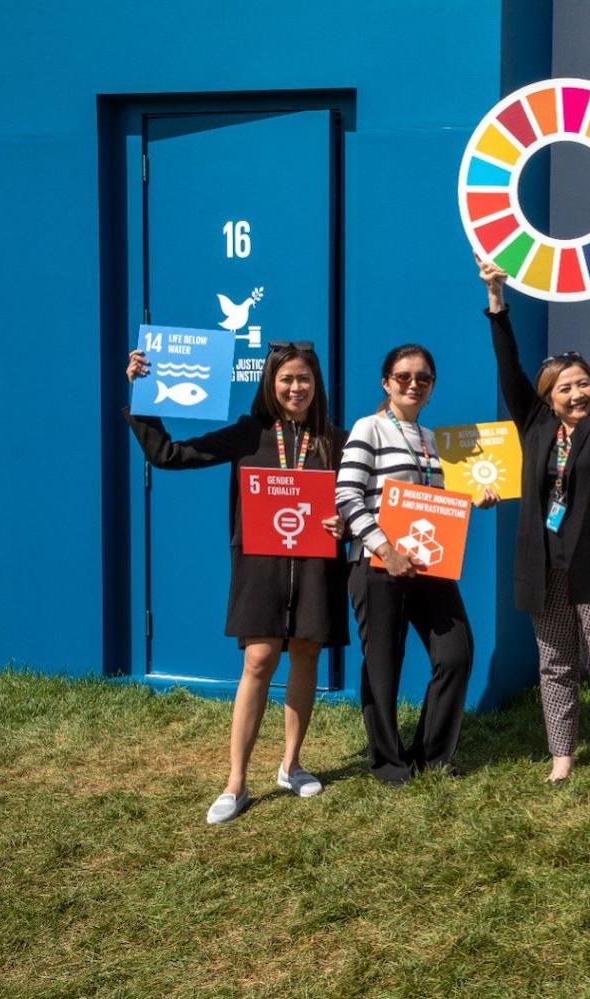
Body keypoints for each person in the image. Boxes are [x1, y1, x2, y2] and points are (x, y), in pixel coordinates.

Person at [124, 341, 348, 824]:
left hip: (315, 566)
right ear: (270, 384)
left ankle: (292, 765)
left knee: (306, 652)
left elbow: (360, 496)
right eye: (286, 378)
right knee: (260, 659)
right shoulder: (250, 434)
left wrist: (346, 523)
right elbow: (170, 454)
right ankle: (236, 782)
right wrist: (142, 395)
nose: (296, 387)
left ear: (316, 384)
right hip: (261, 566)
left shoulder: (335, 438)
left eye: (304, 379)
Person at [475, 250, 590, 784]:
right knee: (555, 663)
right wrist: (497, 302)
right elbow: (506, 363)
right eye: (566, 386)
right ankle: (562, 756)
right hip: (542, 565)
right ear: (548, 397)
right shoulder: (532, 423)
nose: (578, 393)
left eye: (584, 383)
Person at [336, 345, 475, 786]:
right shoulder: (370, 428)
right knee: (382, 664)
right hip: (377, 568)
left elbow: (441, 507)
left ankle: (433, 756)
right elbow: (347, 497)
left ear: (432, 387)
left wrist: (476, 498)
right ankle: (389, 764)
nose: (413, 384)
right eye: (403, 376)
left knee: (456, 653)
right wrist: (385, 549)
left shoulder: (435, 440)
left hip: (429, 567)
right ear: (386, 382)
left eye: (423, 378)